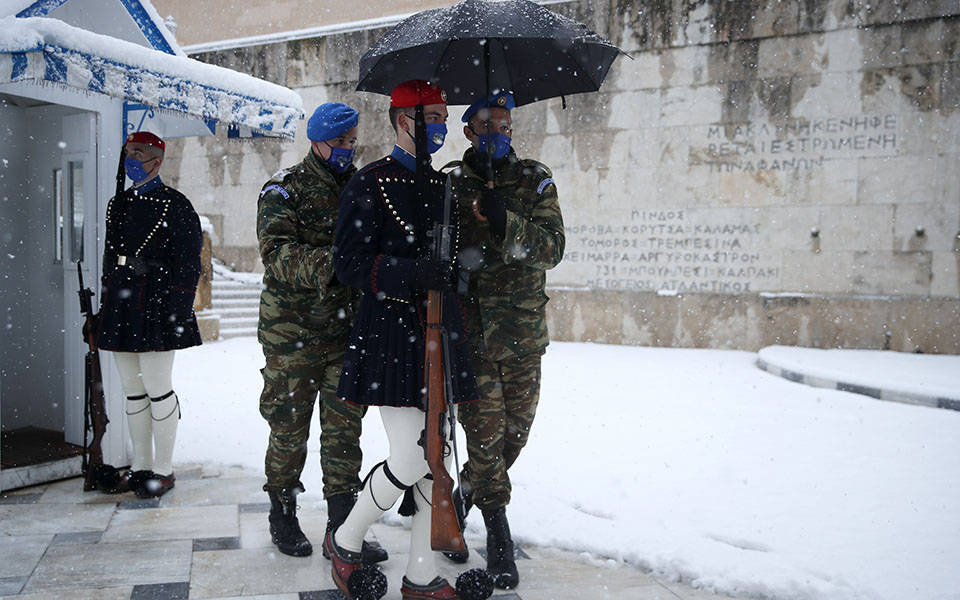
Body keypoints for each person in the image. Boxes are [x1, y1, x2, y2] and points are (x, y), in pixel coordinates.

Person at [324, 80, 479, 600]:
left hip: (441, 329)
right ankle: (346, 538)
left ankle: (420, 574)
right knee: (412, 456)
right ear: (403, 121)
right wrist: (409, 272)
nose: (440, 127)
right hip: (391, 331)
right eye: (431, 117)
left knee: (435, 457)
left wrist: (459, 271)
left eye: (442, 117)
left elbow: (454, 263)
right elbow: (347, 264)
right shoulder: (368, 183)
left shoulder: (445, 189)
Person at [441, 91, 565, 589]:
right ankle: (497, 531)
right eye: (489, 126)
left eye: (506, 126)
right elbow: (441, 250)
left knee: (516, 434)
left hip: (521, 334)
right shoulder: (450, 184)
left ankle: (467, 490)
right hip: (471, 334)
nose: (499, 134)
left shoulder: (535, 179)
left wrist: (504, 220)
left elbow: (552, 248)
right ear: (469, 131)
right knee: (486, 437)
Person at [256, 102, 387, 564]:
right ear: (317, 141)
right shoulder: (283, 190)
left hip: (345, 332)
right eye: (340, 142)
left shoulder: (361, 189)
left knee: (343, 432)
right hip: (291, 333)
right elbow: (278, 254)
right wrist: (340, 265)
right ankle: (283, 512)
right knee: (289, 430)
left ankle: (342, 525)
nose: (348, 150)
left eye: (353, 142)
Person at [95, 131, 202, 499]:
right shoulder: (117, 204)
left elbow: (189, 264)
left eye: (138, 153)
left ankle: (163, 469)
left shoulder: (177, 204)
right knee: (132, 391)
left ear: (157, 160)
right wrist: (103, 309)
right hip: (122, 300)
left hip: (157, 300)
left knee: (158, 389)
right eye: (128, 153)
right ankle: (140, 466)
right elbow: (110, 260)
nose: (131, 159)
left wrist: (178, 312)